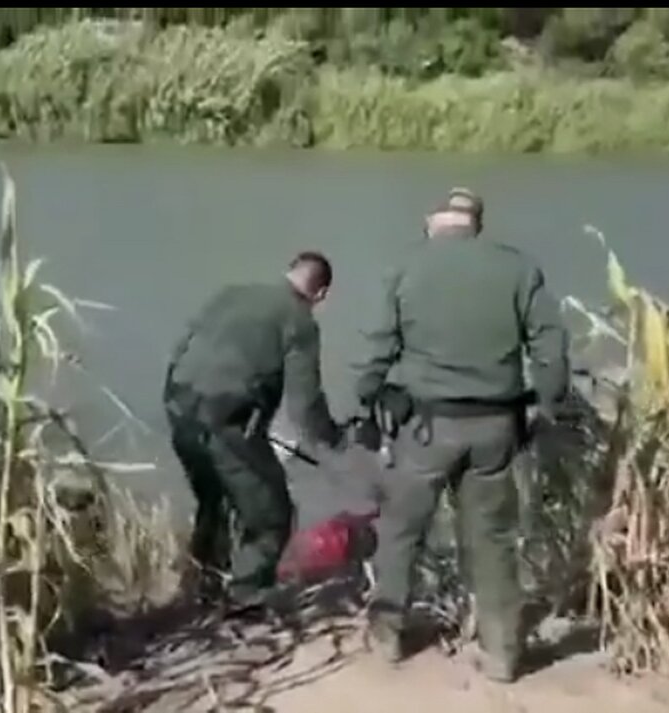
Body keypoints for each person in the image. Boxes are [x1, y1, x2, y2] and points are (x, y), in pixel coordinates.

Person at [353, 188, 570, 682]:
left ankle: (388, 634)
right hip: (497, 424)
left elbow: (376, 346)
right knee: (492, 539)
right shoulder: (518, 268)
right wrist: (549, 403)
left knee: (403, 528)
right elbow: (550, 344)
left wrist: (368, 395)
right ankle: (503, 652)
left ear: (433, 221)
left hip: (427, 427)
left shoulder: (406, 266)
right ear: (476, 224)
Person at [163, 251, 344, 615]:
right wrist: (333, 440)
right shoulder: (299, 320)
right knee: (272, 514)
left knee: (215, 501)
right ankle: (246, 599)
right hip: (226, 419)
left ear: (288, 272)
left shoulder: (230, 294)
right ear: (320, 294)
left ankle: (201, 587)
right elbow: (305, 403)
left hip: (179, 407)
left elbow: (181, 348)